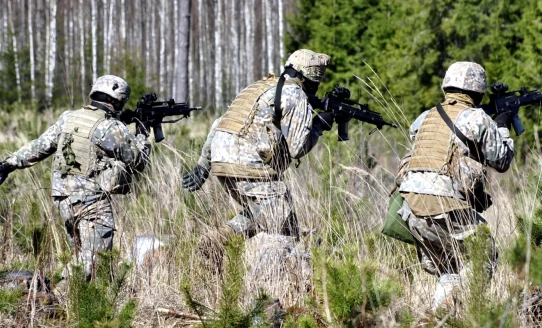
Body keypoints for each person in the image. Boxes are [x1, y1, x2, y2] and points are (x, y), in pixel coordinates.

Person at [0, 75, 151, 285]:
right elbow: (139, 161)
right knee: (93, 265)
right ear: (118, 101)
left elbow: (40, 145)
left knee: (82, 258)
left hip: (63, 200)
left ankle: (69, 304)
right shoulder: (110, 128)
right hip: (91, 203)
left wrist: (9, 164)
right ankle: (52, 298)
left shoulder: (68, 118)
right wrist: (143, 134)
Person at [394, 61, 514, 307]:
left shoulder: (424, 117)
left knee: (450, 268)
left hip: (411, 211)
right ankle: (463, 310)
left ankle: (439, 316)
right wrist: (501, 126)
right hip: (445, 210)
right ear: (478, 91)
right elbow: (502, 161)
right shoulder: (477, 118)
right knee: (485, 254)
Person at [182, 49, 333, 242]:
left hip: (221, 161)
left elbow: (219, 122)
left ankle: (216, 241)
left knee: (266, 212)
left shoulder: (261, 87)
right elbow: (298, 148)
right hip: (250, 166)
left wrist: (203, 166)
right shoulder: (295, 95)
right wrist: (319, 124)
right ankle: (215, 242)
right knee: (283, 224)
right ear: (313, 81)